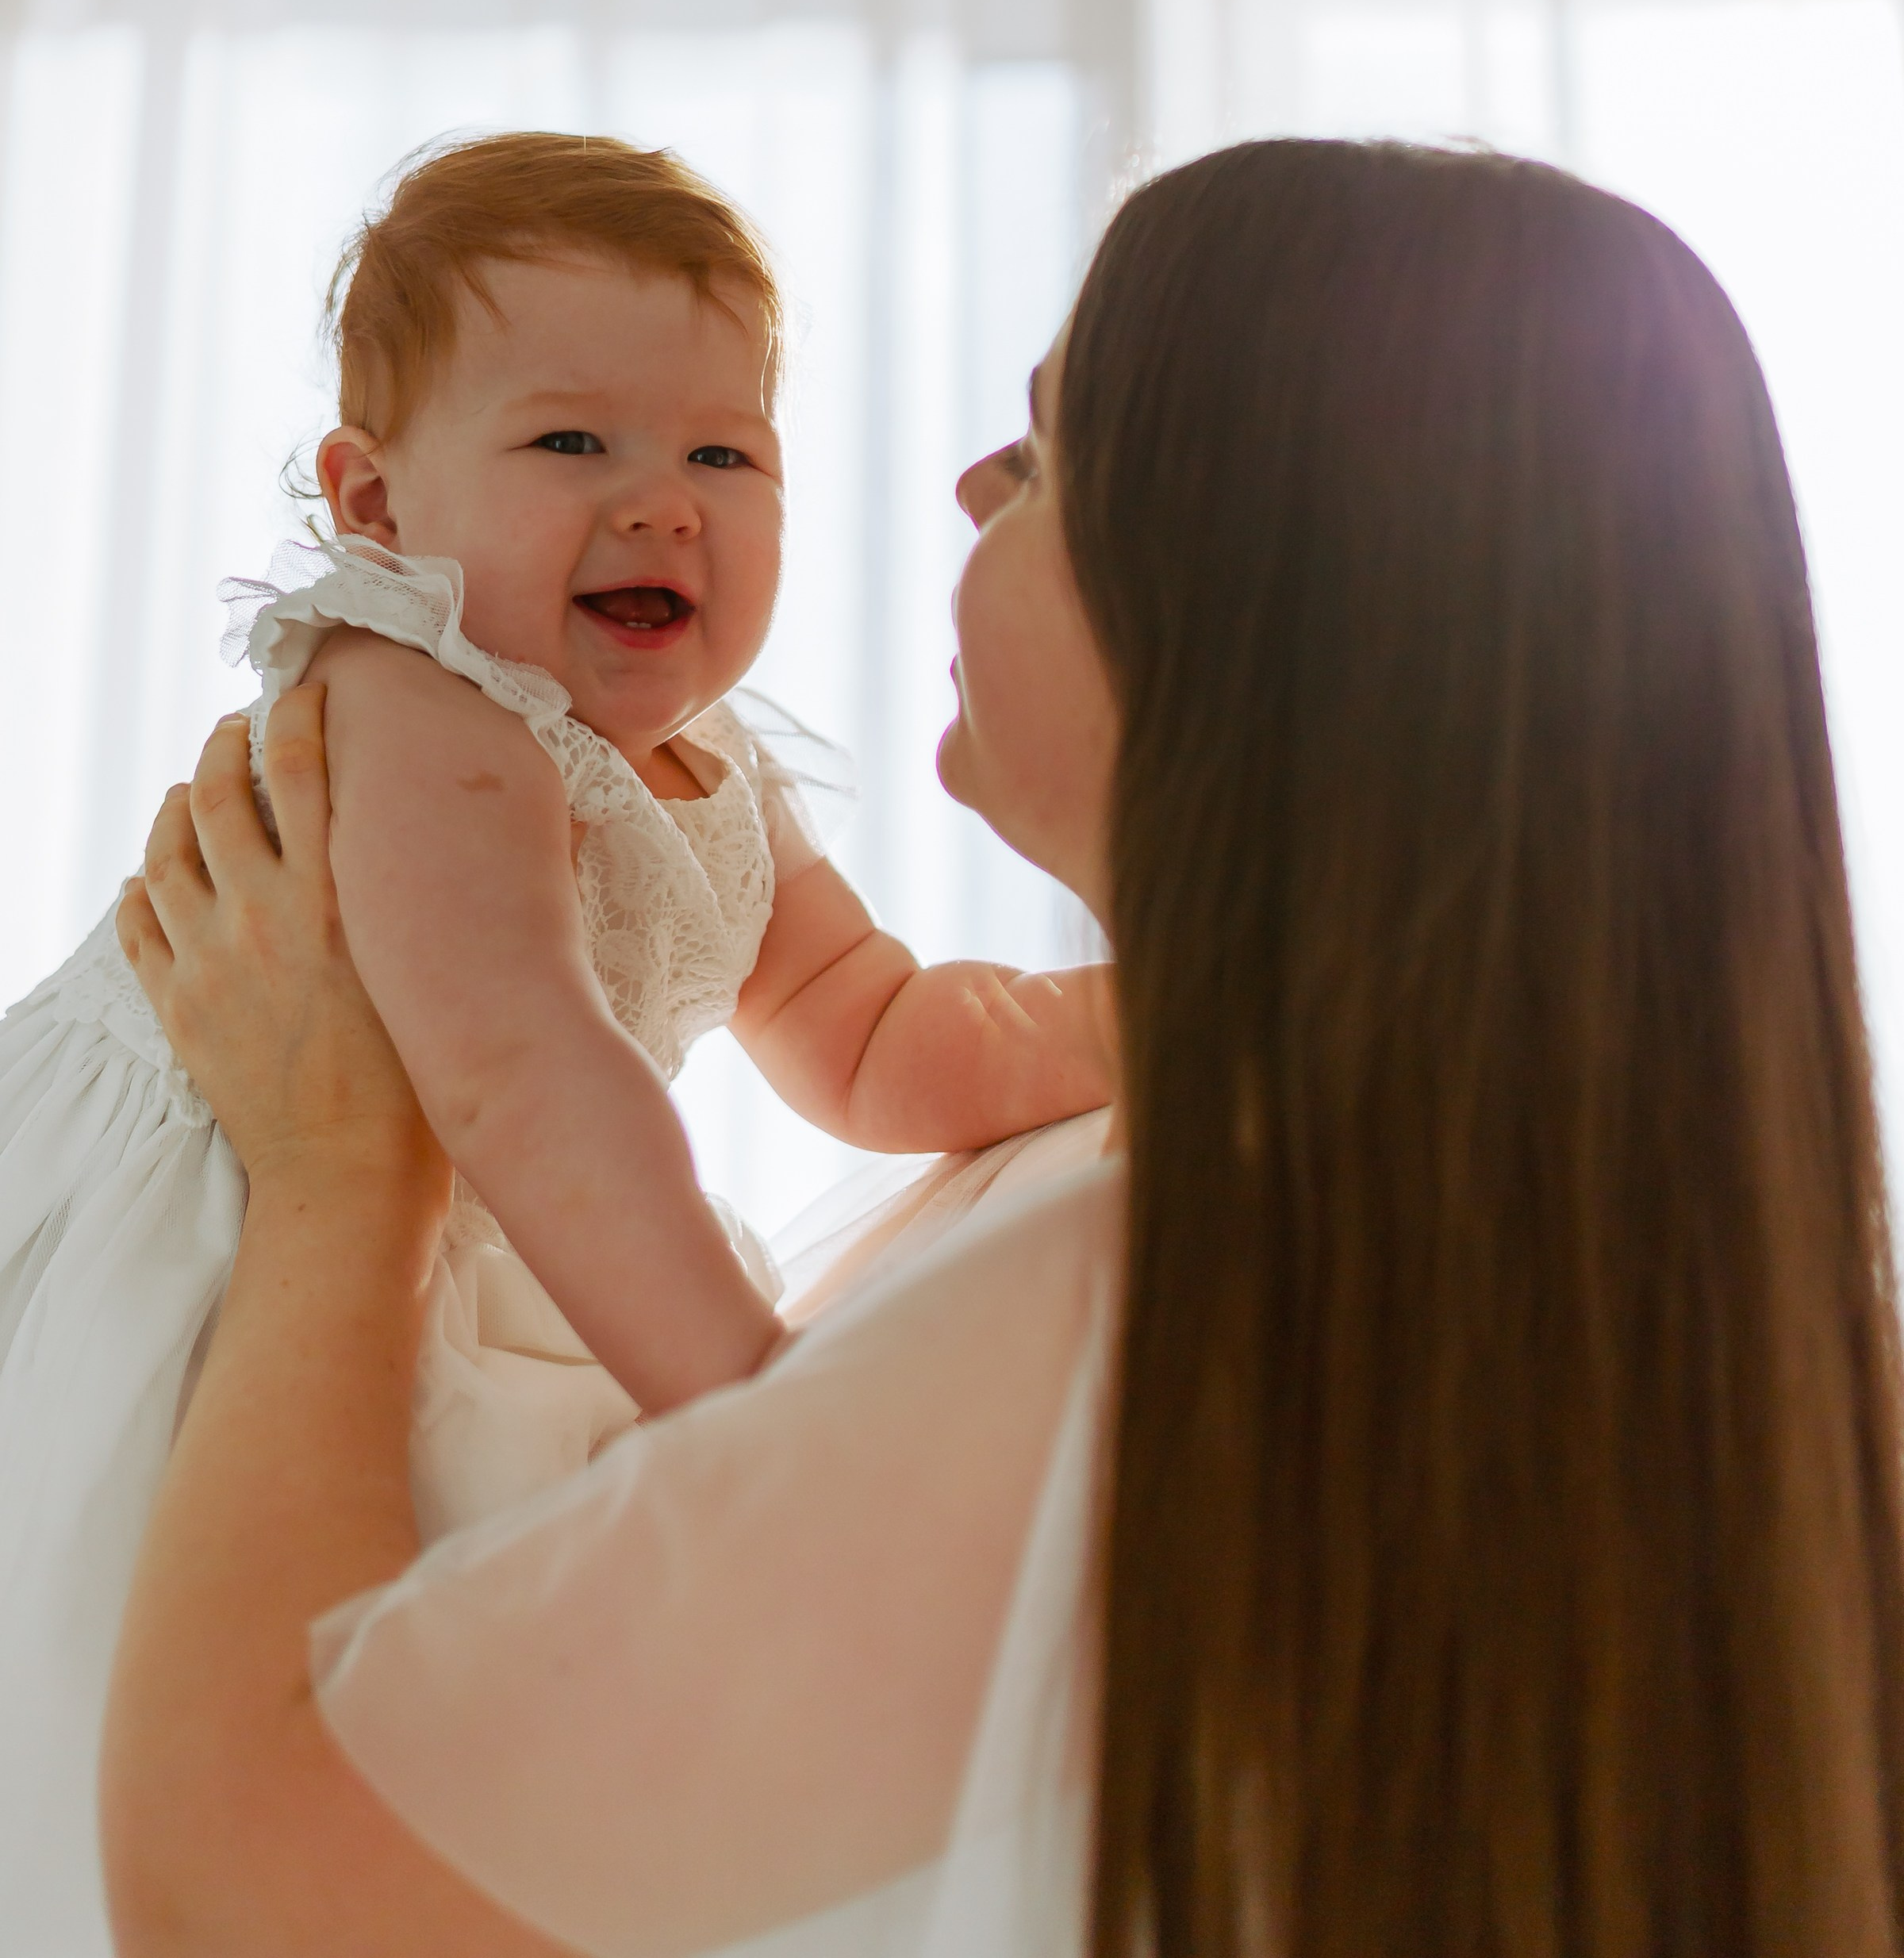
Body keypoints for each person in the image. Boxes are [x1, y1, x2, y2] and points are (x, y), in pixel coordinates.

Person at [103, 139, 1904, 1957]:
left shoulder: (1161, 1299)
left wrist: (341, 1180)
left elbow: (231, 1892)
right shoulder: (1619, 1299)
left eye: (1043, 456)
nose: (968, 483)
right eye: (574, 441)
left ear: (1258, 596)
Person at [0, 129, 1112, 1954]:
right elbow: (519, 1076)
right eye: (571, 444)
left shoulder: (710, 764)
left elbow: (875, 1030)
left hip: (433, 1205)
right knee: (132, 1650)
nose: (662, 507)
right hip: (200, 1237)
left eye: (722, 455)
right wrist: (754, 1411)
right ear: (374, 504)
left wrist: (1145, 1022)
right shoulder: (420, 703)